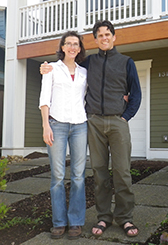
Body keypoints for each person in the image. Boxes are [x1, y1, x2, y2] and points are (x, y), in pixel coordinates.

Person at [40, 20, 142, 237]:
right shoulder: (89, 63)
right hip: (93, 122)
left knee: (122, 172)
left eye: (108, 34)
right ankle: (104, 217)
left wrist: (125, 117)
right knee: (100, 173)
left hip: (117, 122)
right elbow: (67, 67)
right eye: (100, 35)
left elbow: (136, 94)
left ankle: (125, 218)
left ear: (114, 37)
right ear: (95, 40)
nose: (104, 38)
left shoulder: (126, 62)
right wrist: (45, 67)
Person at [39, 31, 88, 240]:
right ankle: (59, 222)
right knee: (57, 177)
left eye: (75, 44)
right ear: (62, 47)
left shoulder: (85, 72)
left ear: (79, 48)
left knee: (78, 176)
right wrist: (45, 125)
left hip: (80, 125)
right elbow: (44, 98)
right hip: (56, 125)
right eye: (68, 43)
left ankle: (75, 221)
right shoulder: (51, 69)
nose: (72, 47)